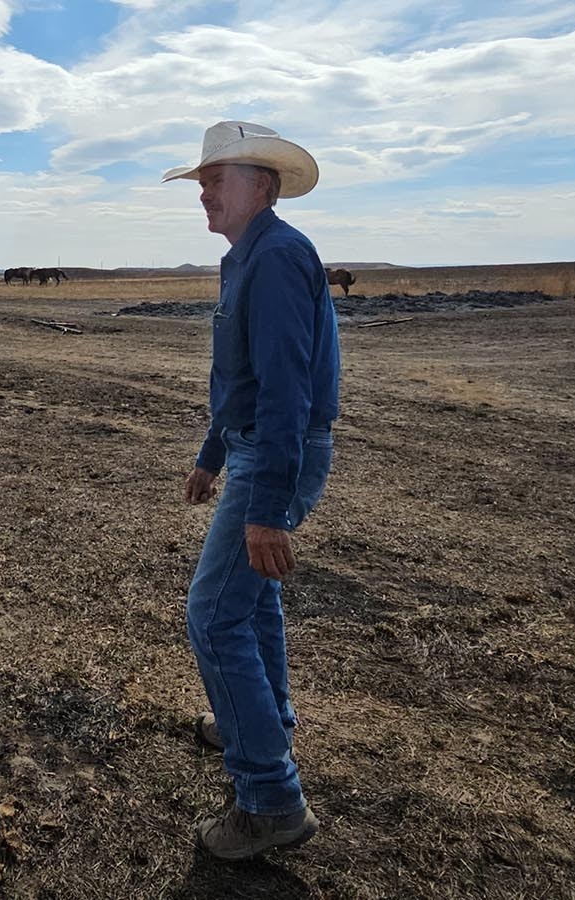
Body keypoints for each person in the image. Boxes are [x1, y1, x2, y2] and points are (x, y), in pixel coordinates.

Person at [161, 121, 341, 860]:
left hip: (279, 451)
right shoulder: (245, 258)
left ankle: (269, 798)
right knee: (251, 600)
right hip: (253, 445)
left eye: (216, 179)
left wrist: (266, 508)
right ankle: (261, 720)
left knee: (211, 616)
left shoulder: (275, 258)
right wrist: (211, 455)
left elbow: (287, 390)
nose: (203, 192)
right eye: (201, 180)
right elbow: (239, 380)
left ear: (260, 188)